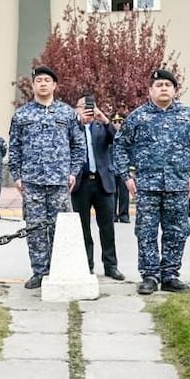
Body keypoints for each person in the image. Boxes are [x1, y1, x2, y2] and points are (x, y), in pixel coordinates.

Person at [114, 69, 190, 296]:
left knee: (177, 231)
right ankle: (150, 276)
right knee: (146, 231)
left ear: (174, 90)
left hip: (177, 184)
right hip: (147, 185)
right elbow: (121, 145)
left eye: (168, 85)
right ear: (151, 90)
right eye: (159, 85)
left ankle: (170, 275)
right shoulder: (138, 116)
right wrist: (126, 176)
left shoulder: (187, 115)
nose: (164, 88)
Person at [8, 65, 85, 289]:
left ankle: (62, 270)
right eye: (38, 80)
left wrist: (73, 172)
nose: (42, 84)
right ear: (33, 85)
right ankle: (39, 272)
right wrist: (17, 175)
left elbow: (78, 146)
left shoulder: (68, 113)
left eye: (47, 80)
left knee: (61, 228)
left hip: (60, 181)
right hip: (32, 181)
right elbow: (15, 148)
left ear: (54, 85)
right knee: (35, 228)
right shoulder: (22, 115)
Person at [70, 96, 124, 280]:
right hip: (80, 183)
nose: (87, 110)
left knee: (107, 227)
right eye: (82, 106)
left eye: (90, 107)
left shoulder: (102, 127)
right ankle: (87, 265)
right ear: (76, 109)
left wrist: (105, 119)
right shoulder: (72, 127)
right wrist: (78, 121)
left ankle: (111, 265)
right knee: (83, 228)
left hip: (103, 183)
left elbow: (118, 139)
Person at [111, 113, 131, 223]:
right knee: (112, 193)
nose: (117, 124)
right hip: (111, 169)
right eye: (115, 122)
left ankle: (124, 214)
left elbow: (131, 152)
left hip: (124, 169)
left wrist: (131, 169)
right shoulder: (109, 134)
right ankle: (112, 214)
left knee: (124, 193)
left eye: (120, 121)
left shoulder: (126, 135)